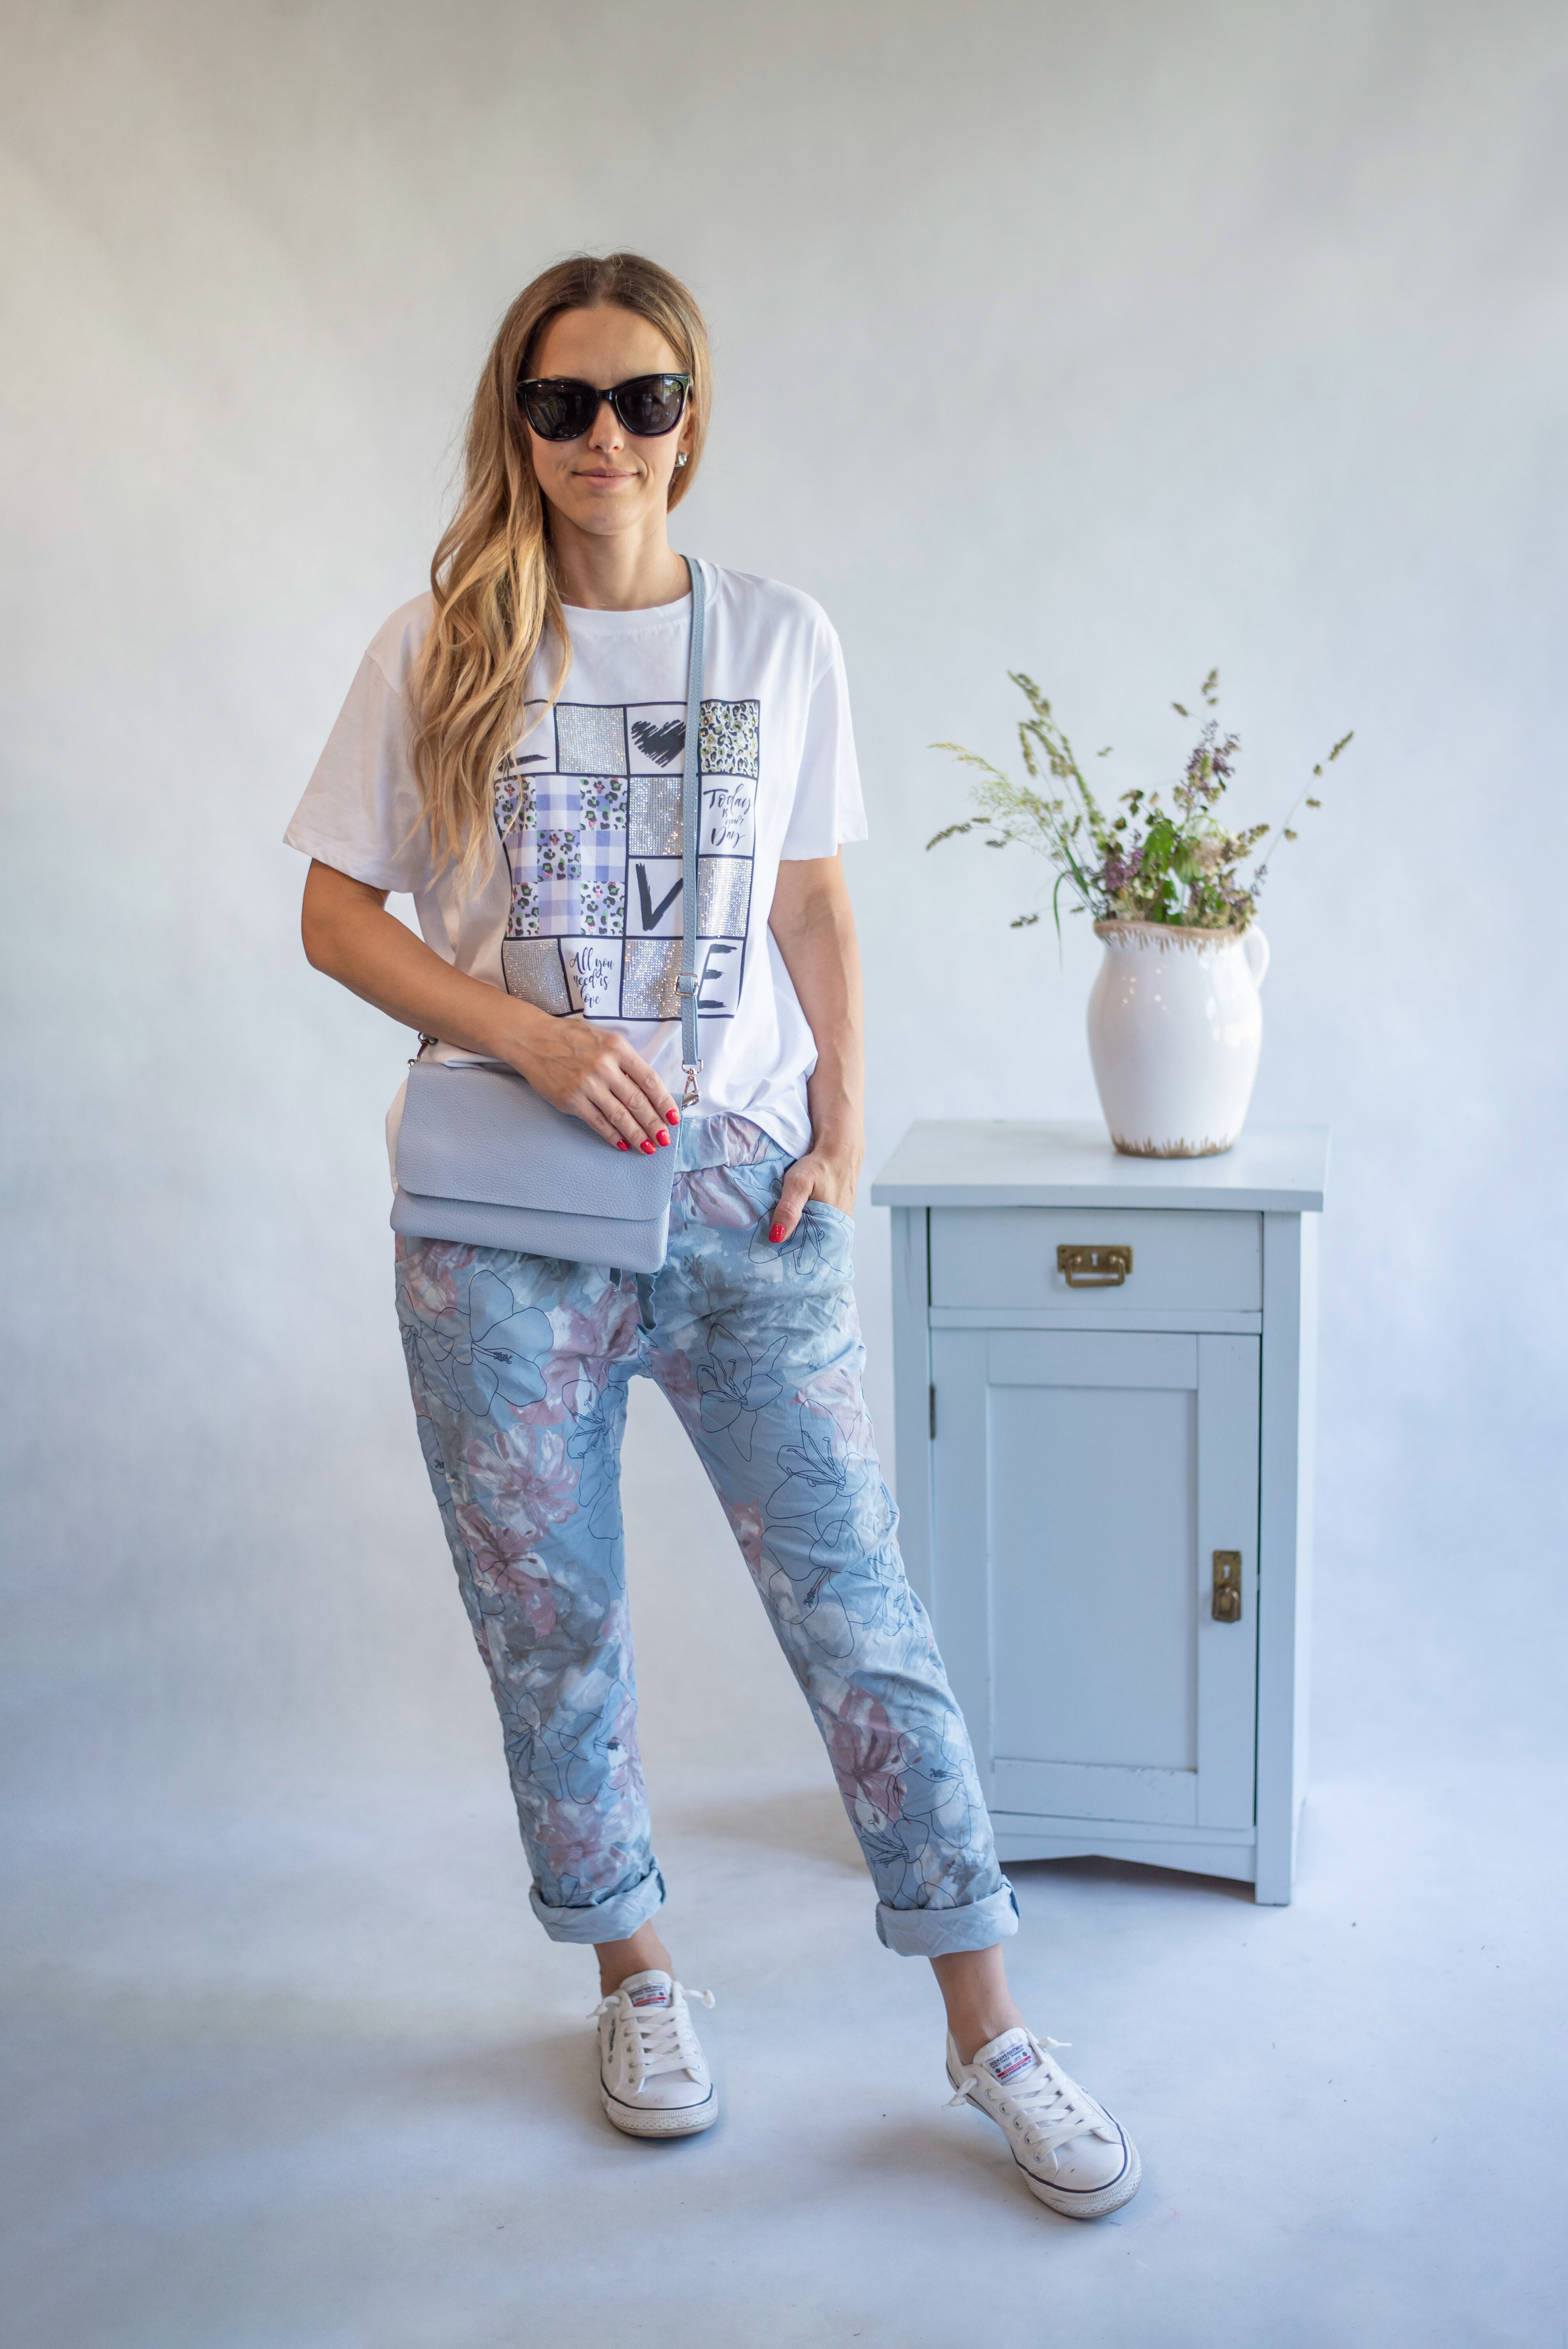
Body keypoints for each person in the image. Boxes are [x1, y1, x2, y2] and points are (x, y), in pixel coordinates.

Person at [287, 251, 1139, 2219]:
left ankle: (988, 2026)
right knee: (552, 1622)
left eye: (642, 399)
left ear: (692, 419)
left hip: (741, 1196)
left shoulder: (775, 637)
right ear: (519, 426)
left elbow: (812, 902)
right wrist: (528, 1034)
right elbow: (334, 915)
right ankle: (635, 1974)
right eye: (564, 402)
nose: (605, 436)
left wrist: (838, 1119)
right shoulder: (443, 643)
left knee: (861, 1614)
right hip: (502, 1228)